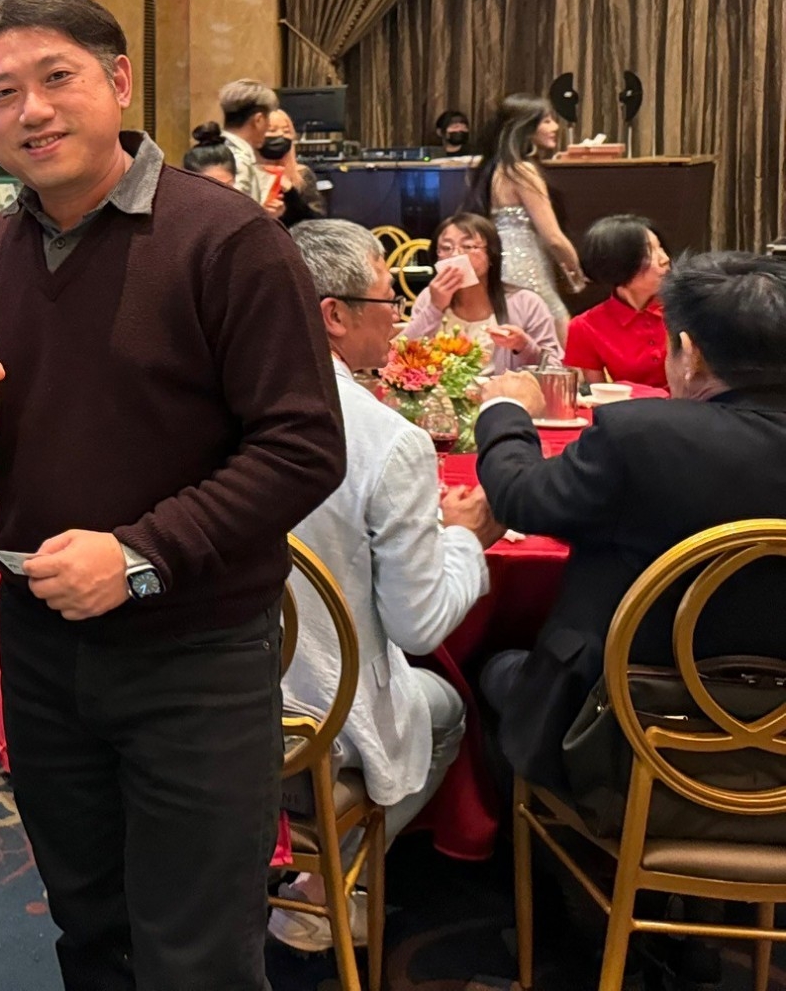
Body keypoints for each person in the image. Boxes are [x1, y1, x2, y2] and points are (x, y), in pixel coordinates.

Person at [0, 0, 345, 991]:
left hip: (192, 653)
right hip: (44, 647)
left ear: (117, 81)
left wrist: (140, 554)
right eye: (1, 94)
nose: (31, 111)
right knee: (89, 930)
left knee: (198, 953)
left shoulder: (225, 240)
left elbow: (301, 446)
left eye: (55, 78)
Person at [472, 253, 786, 794]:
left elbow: (523, 499)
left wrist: (505, 412)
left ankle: (550, 834)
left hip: (627, 734)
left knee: (490, 665)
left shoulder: (640, 438)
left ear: (689, 354)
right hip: (776, 734)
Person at [273, 221, 497, 953]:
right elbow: (418, 625)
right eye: (386, 297)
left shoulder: (209, 399)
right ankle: (326, 888)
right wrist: (466, 539)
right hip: (313, 720)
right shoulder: (382, 438)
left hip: (204, 698)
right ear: (333, 316)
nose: (398, 313)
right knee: (449, 706)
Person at [468, 94, 585, 330]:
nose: (555, 127)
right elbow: (553, 238)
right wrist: (576, 269)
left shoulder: (496, 170)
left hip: (503, 267)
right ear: (526, 128)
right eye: (546, 121)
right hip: (526, 268)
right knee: (558, 329)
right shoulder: (522, 171)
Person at [405, 212, 562, 373]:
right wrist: (435, 308)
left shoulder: (526, 303)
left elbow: (555, 370)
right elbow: (403, 359)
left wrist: (524, 346)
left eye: (468, 246)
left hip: (503, 389)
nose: (455, 255)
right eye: (446, 248)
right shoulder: (429, 297)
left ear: (491, 254)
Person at [564, 213, 672, 391]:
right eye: (650, 252)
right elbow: (600, 395)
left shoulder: (686, 309)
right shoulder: (585, 327)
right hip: (629, 408)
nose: (665, 258)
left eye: (661, 247)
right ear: (619, 263)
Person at [217, 77, 281, 207]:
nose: (268, 126)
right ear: (259, 120)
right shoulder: (239, 159)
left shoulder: (216, 148)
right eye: (268, 119)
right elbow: (234, 212)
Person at [258, 109, 325, 224]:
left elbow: (316, 220)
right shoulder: (243, 172)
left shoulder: (302, 174)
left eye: (286, 131)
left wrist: (290, 192)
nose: (280, 135)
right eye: (272, 130)